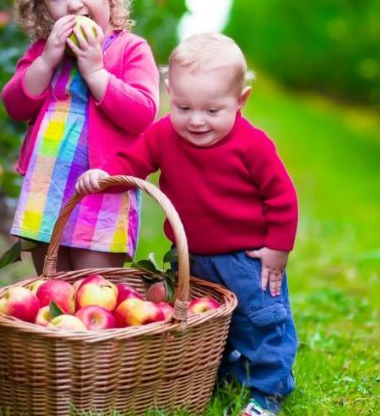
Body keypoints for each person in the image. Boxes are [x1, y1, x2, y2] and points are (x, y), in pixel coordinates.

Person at [76, 33, 297, 416]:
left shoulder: (253, 145)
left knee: (260, 322)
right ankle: (212, 376)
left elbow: (282, 197)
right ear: (169, 92)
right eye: (183, 107)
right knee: (201, 325)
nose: (196, 121)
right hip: (189, 256)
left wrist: (277, 249)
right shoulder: (163, 133)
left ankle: (267, 392)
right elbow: (133, 163)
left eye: (212, 111)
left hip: (246, 259)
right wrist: (105, 177)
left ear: (240, 100)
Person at [1, 0, 160, 274]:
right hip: (47, 185)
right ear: (43, 7)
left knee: (94, 285)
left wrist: (96, 73)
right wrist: (46, 60)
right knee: (51, 283)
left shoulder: (129, 49)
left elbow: (142, 114)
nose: (74, 3)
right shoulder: (45, 52)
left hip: (102, 188)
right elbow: (14, 104)